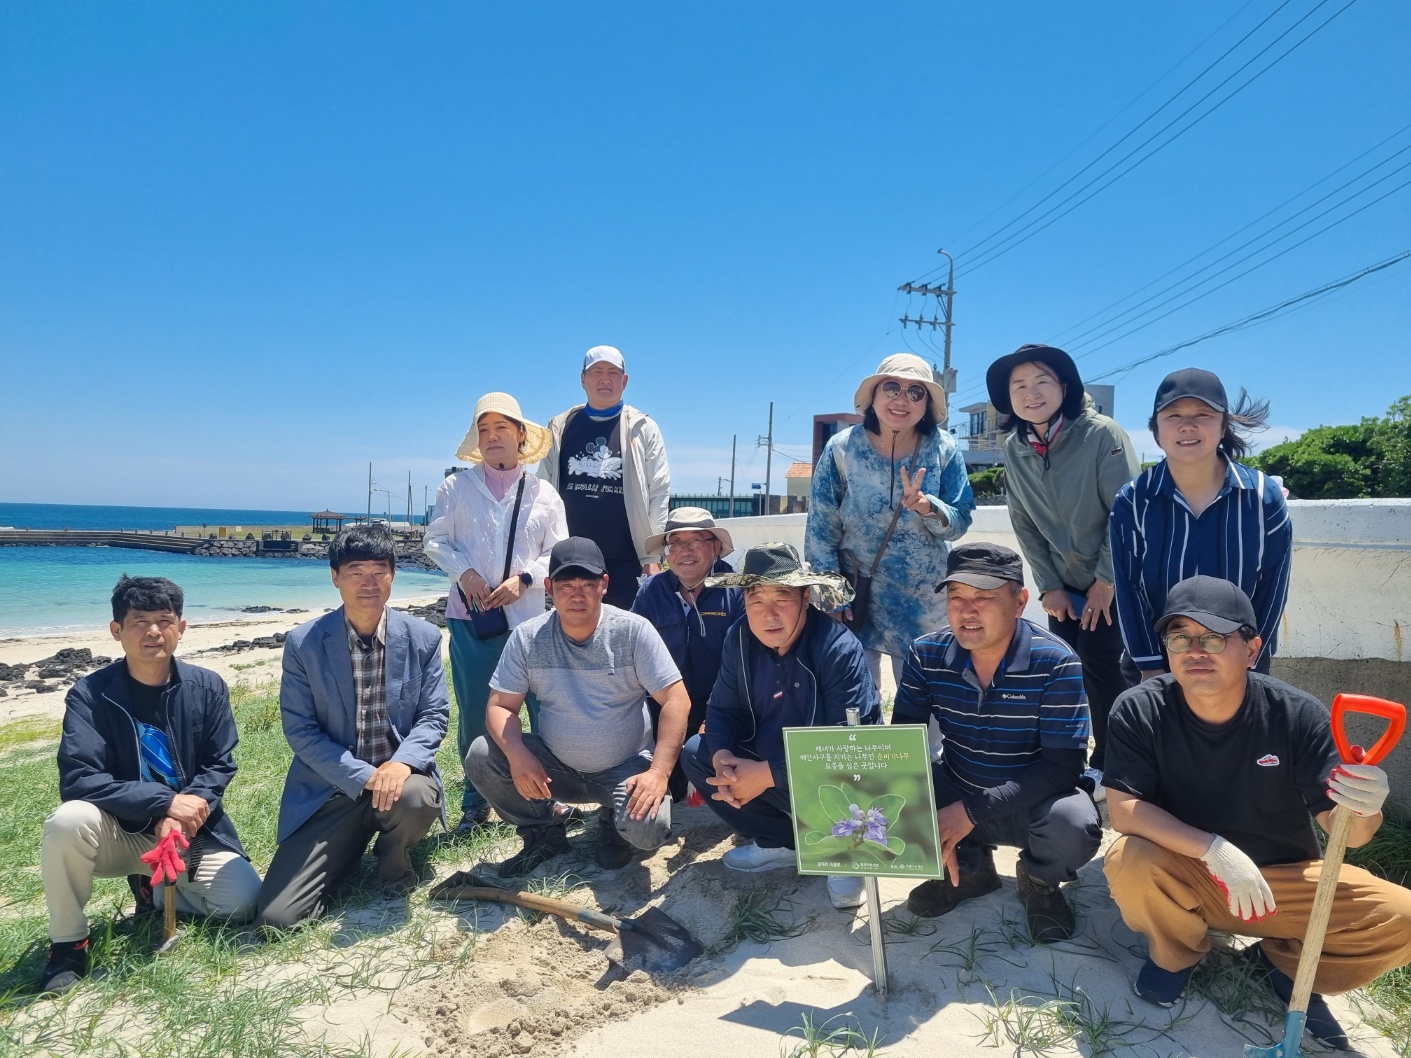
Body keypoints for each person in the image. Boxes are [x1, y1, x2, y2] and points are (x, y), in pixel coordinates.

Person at [1103, 576, 1411, 1049]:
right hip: (1190, 873)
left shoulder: (1296, 715)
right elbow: (1124, 810)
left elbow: (1346, 832)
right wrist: (1215, 850)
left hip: (1281, 882)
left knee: (1402, 916)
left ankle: (1282, 963)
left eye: (1213, 638)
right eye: (1179, 637)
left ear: (1251, 649)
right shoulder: (1139, 709)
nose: (1194, 650)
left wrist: (1365, 806)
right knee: (1130, 859)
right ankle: (1176, 955)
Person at [39, 575, 262, 994]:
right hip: (118, 832)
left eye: (165, 620)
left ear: (182, 627)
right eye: (139, 621)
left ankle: (152, 891)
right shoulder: (91, 695)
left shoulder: (207, 687)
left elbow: (219, 765)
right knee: (68, 821)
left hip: (188, 834)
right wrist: (163, 804)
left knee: (245, 902)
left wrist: (183, 814)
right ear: (116, 630)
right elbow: (79, 779)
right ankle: (68, 943)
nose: (154, 631)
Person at [892, 542, 1100, 942]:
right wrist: (925, 817)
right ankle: (970, 871)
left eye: (984, 597)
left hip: (1031, 800)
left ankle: (1039, 882)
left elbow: (1062, 768)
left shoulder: (1055, 661)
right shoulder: (926, 654)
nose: (967, 611)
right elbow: (904, 747)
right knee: (893, 793)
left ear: (1020, 601)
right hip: (959, 783)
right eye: (957, 597)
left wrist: (968, 812)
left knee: (1073, 824)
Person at [256, 524, 449, 930]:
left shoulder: (424, 638)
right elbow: (301, 729)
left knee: (416, 799)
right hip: (333, 788)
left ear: (393, 574)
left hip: (400, 782)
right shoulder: (304, 643)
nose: (369, 582)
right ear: (335, 578)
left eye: (379, 570)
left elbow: (434, 717)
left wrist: (400, 765)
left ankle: (393, 858)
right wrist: (363, 777)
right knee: (278, 918)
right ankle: (347, 846)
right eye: (355, 571)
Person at [466, 537, 691, 875]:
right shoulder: (528, 637)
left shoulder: (632, 631)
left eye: (587, 584)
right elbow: (500, 706)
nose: (577, 594)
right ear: (548, 587)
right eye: (566, 584)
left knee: (648, 832)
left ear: (604, 585)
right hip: (554, 769)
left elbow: (676, 699)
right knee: (482, 756)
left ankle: (613, 825)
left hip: (624, 768)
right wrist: (516, 752)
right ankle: (543, 831)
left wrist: (658, 774)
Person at [680, 543, 880, 910]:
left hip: (837, 776)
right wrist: (724, 757)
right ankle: (782, 842)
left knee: (844, 894)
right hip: (770, 759)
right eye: (756, 600)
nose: (768, 614)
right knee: (698, 753)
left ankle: (845, 847)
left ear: (806, 598)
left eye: (782, 599)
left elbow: (852, 746)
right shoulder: (739, 638)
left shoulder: (837, 649)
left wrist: (768, 774)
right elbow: (722, 708)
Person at [985, 344, 1139, 789]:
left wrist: (1107, 581)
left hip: (1116, 581)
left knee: (1106, 667)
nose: (1031, 393)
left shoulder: (1101, 434)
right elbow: (1024, 522)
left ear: (1064, 386)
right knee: (1068, 669)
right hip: (1064, 587)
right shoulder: (1016, 448)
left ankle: (1114, 763)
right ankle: (1075, 755)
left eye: (1042, 382)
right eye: (1019, 386)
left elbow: (1125, 513)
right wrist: (1049, 585)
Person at [424, 392, 568, 834]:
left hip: (531, 620)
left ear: (521, 436)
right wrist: (465, 574)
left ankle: (554, 791)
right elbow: (435, 541)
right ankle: (477, 799)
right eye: (483, 430)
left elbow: (558, 551)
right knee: (475, 709)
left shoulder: (545, 493)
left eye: (501, 428)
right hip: (472, 620)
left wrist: (524, 580)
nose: (492, 437)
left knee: (544, 708)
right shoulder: (456, 487)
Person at [806, 352, 975, 692]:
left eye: (916, 392)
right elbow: (820, 529)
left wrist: (929, 507)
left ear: (927, 404)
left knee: (926, 707)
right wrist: (829, 597)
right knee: (854, 701)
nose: (902, 400)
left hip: (923, 603)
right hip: (854, 597)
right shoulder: (841, 448)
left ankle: (928, 750)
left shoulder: (945, 449)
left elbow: (961, 520)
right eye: (892, 387)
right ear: (873, 396)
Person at [1110, 368, 1291, 681]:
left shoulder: (1263, 498)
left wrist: (1247, 658)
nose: (1187, 425)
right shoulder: (1133, 501)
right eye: (1173, 415)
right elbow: (1128, 589)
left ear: (1224, 426)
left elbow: (1273, 588)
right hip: (1160, 664)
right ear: (1156, 429)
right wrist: (1149, 666)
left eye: (1203, 414)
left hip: (1238, 665)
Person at [541, 345, 671, 610]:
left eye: (613, 372)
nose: (605, 378)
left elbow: (659, 491)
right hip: (570, 556)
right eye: (597, 371)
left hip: (628, 558)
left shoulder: (643, 427)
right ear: (582, 379)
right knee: (572, 634)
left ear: (624, 381)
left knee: (624, 637)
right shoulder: (560, 425)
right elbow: (542, 491)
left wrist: (652, 556)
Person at [631, 507, 744, 801]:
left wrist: (717, 715)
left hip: (726, 708)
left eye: (695, 541)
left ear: (716, 547)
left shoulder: (738, 590)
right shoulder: (651, 591)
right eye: (676, 543)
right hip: (664, 708)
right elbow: (632, 652)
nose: (685, 551)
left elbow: (749, 663)